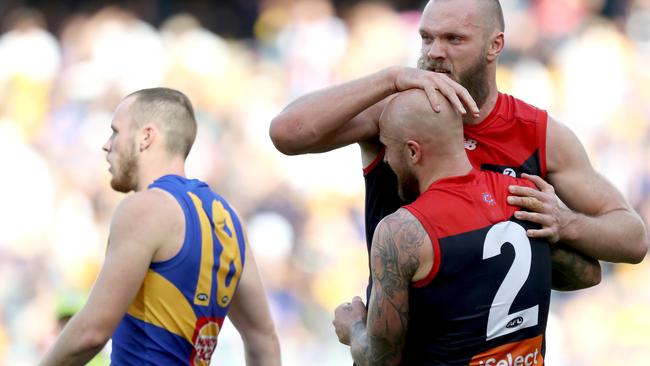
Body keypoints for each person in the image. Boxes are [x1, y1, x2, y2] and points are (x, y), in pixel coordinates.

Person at [269, 0, 648, 293]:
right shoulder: (394, 111)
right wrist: (391, 78)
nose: (434, 51)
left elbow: (633, 238)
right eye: (426, 37)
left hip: (501, 351)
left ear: (494, 45)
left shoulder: (537, 132)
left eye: (453, 39)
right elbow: (287, 134)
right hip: (403, 347)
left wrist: (565, 223)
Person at [41, 88, 281, 366]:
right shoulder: (227, 220)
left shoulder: (147, 208)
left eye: (115, 132)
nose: (107, 145)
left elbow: (92, 333)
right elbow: (264, 340)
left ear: (146, 137)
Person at [334, 89, 552, 365]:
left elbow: (381, 360)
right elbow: (587, 276)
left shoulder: (403, 231)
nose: (386, 159)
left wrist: (352, 328)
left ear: (413, 152)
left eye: (388, 147)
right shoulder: (525, 194)